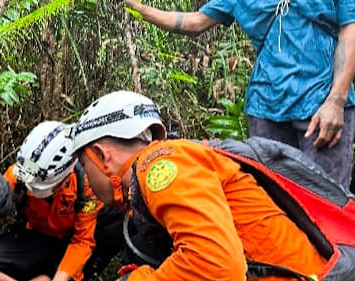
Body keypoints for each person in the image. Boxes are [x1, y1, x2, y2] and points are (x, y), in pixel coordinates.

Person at [14, 90, 355, 281]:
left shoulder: (161, 164)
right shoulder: (159, 187)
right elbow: (171, 278)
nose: (85, 177)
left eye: (84, 164)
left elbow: (219, 269)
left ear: (102, 156)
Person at [123, 0, 355, 188]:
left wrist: (336, 99)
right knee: (275, 199)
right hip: (265, 109)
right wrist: (139, 8)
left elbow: (350, 29)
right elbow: (194, 22)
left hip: (321, 105)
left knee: (328, 199)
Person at [0, 121, 125, 281]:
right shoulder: (17, 177)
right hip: (39, 235)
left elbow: (83, 241)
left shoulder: (86, 184)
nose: (31, 189)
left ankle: (82, 274)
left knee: (117, 217)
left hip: (76, 238)